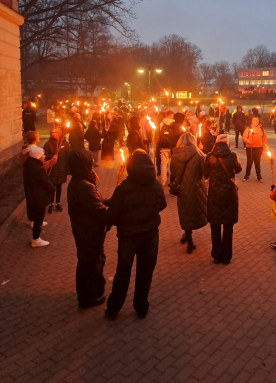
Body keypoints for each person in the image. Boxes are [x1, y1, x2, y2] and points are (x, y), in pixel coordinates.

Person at [104, 150, 167, 319]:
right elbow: (162, 204)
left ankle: (113, 309)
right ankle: (141, 306)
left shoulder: (124, 188)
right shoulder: (155, 185)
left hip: (128, 237)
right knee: (145, 272)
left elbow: (112, 216)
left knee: (123, 272)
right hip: (150, 235)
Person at [67, 149, 110, 309]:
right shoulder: (83, 186)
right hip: (89, 233)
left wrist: (110, 200)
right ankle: (87, 297)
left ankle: (90, 292)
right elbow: (98, 211)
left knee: (90, 261)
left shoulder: (80, 182)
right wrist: (112, 213)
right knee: (90, 263)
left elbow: (95, 202)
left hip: (85, 230)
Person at [204, 134, 242, 264]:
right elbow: (238, 169)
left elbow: (204, 174)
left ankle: (216, 254)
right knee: (228, 227)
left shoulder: (210, 156)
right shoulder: (232, 156)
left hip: (214, 193)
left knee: (215, 226)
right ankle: (226, 257)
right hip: (229, 194)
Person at [171, 133, 208, 253]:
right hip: (196, 188)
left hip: (182, 188)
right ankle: (190, 242)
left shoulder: (175, 155)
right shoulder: (199, 154)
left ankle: (188, 237)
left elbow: (173, 173)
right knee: (193, 211)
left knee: (185, 212)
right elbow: (205, 172)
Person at [23, 146, 55, 247]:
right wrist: (52, 189)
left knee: (36, 215)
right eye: (42, 155)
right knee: (39, 217)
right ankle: (36, 239)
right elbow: (46, 183)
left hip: (32, 195)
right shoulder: (38, 168)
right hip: (39, 197)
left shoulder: (29, 165)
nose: (44, 156)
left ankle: (35, 234)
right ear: (37, 156)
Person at [44, 127, 70, 213]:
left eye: (55, 132)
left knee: (59, 187)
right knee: (52, 187)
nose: (54, 134)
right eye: (52, 132)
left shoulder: (65, 144)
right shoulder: (48, 144)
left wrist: (68, 168)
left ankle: (57, 203)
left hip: (61, 169)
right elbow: (44, 156)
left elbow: (68, 156)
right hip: (52, 169)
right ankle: (51, 203)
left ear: (59, 133)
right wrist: (52, 156)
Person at [242, 116, 267, 182]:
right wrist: (248, 142)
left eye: (257, 120)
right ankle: (247, 176)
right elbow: (244, 137)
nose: (255, 121)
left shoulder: (261, 129)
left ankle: (259, 176)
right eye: (254, 120)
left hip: (258, 148)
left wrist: (263, 146)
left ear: (258, 121)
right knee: (249, 162)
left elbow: (264, 138)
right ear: (252, 121)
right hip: (250, 148)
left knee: (257, 162)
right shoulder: (248, 128)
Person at [158, 109, 175, 186]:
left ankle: (163, 180)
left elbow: (159, 134)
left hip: (163, 145)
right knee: (172, 164)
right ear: (171, 114)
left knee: (163, 164)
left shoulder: (161, 123)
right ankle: (172, 180)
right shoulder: (173, 123)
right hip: (172, 146)